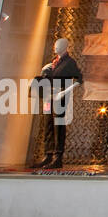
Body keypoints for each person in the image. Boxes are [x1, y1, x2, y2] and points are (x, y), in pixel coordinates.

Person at [33, 38, 83, 170]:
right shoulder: (53, 63)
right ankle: (48, 154)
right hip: (48, 97)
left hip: (60, 97)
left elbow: (79, 79)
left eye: (59, 45)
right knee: (47, 123)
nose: (56, 47)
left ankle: (57, 157)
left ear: (66, 47)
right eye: (55, 45)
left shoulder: (69, 63)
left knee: (58, 125)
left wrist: (65, 92)